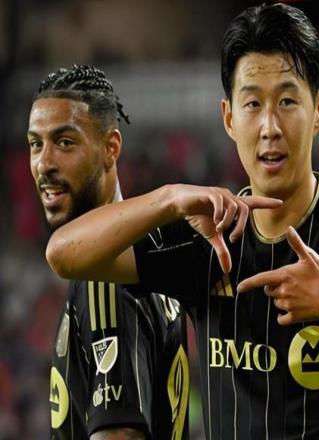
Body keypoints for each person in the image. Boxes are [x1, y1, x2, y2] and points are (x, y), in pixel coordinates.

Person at [46, 4, 319, 439]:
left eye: (287, 101)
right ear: (229, 118)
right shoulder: (206, 232)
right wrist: (168, 198)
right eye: (252, 104)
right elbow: (65, 254)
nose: (270, 126)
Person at [28, 65, 190, 440]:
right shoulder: (146, 258)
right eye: (36, 144)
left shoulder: (108, 280)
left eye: (64, 142)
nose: (44, 163)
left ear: (110, 148)